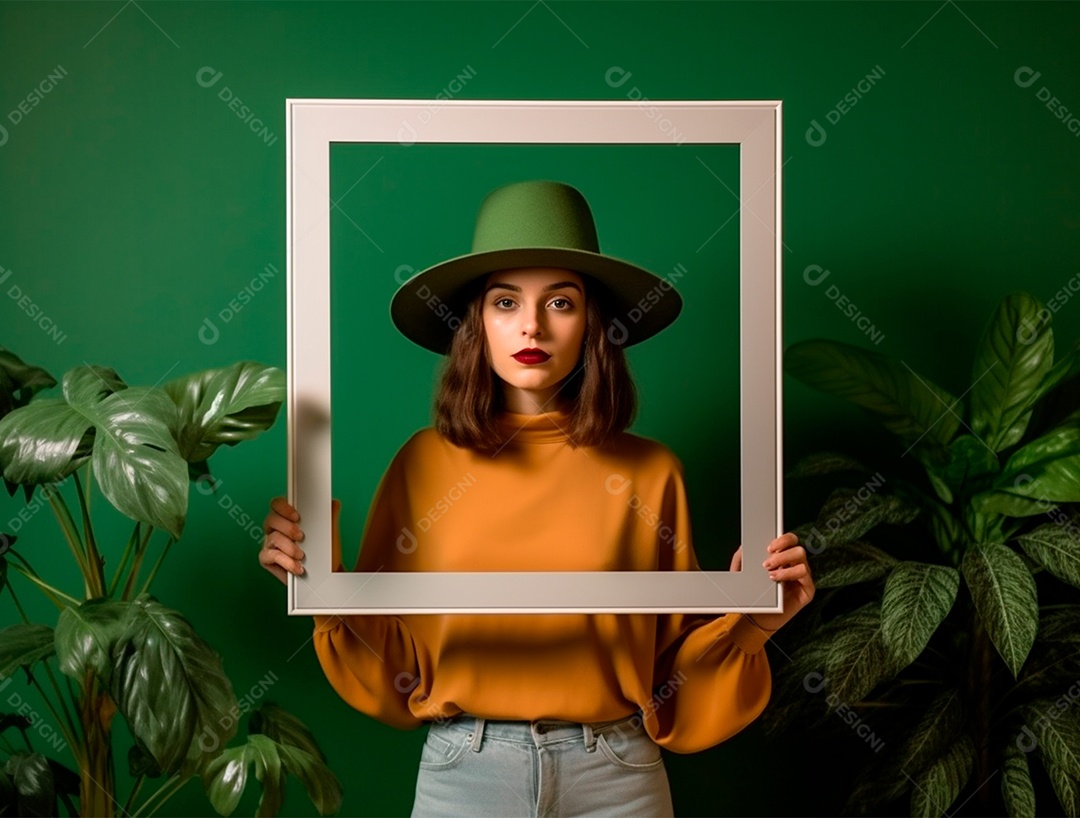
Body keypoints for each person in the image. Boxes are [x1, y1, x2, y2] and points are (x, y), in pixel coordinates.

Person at [260, 180, 814, 817]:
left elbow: (668, 674)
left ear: (593, 323)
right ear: (477, 322)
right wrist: (318, 586)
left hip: (617, 776)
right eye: (505, 302)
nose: (531, 325)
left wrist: (751, 623)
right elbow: (395, 659)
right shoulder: (423, 463)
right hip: (463, 771)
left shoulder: (651, 471)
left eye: (560, 301)